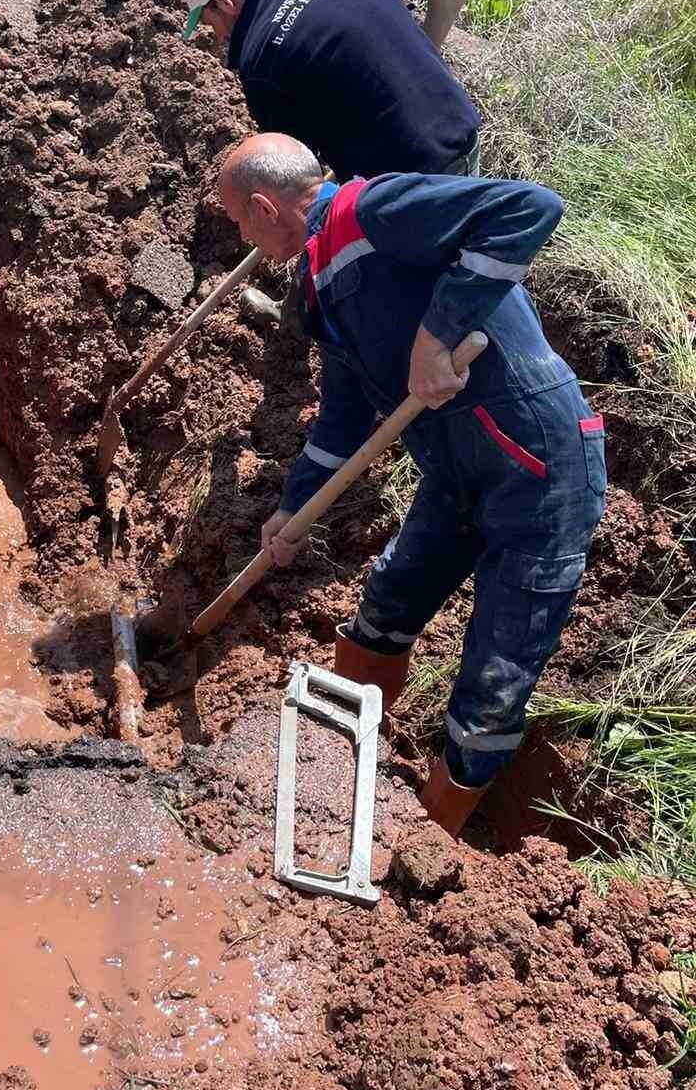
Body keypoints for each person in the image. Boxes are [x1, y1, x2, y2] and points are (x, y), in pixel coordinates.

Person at [217, 132, 606, 836]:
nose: (242, 235)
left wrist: (437, 333)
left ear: (266, 207)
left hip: (536, 465)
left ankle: (434, 840)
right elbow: (342, 417)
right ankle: (339, 769)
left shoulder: (375, 211)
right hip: (455, 474)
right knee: (387, 605)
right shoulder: (320, 284)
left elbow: (529, 208)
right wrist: (292, 510)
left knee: (494, 675)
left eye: (239, 221)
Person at [180, 0, 480, 182]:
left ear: (224, 4)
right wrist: (426, 48)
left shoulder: (259, 62)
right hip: (463, 133)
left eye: (209, 22)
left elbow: (299, 178)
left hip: (414, 189)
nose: (218, 36)